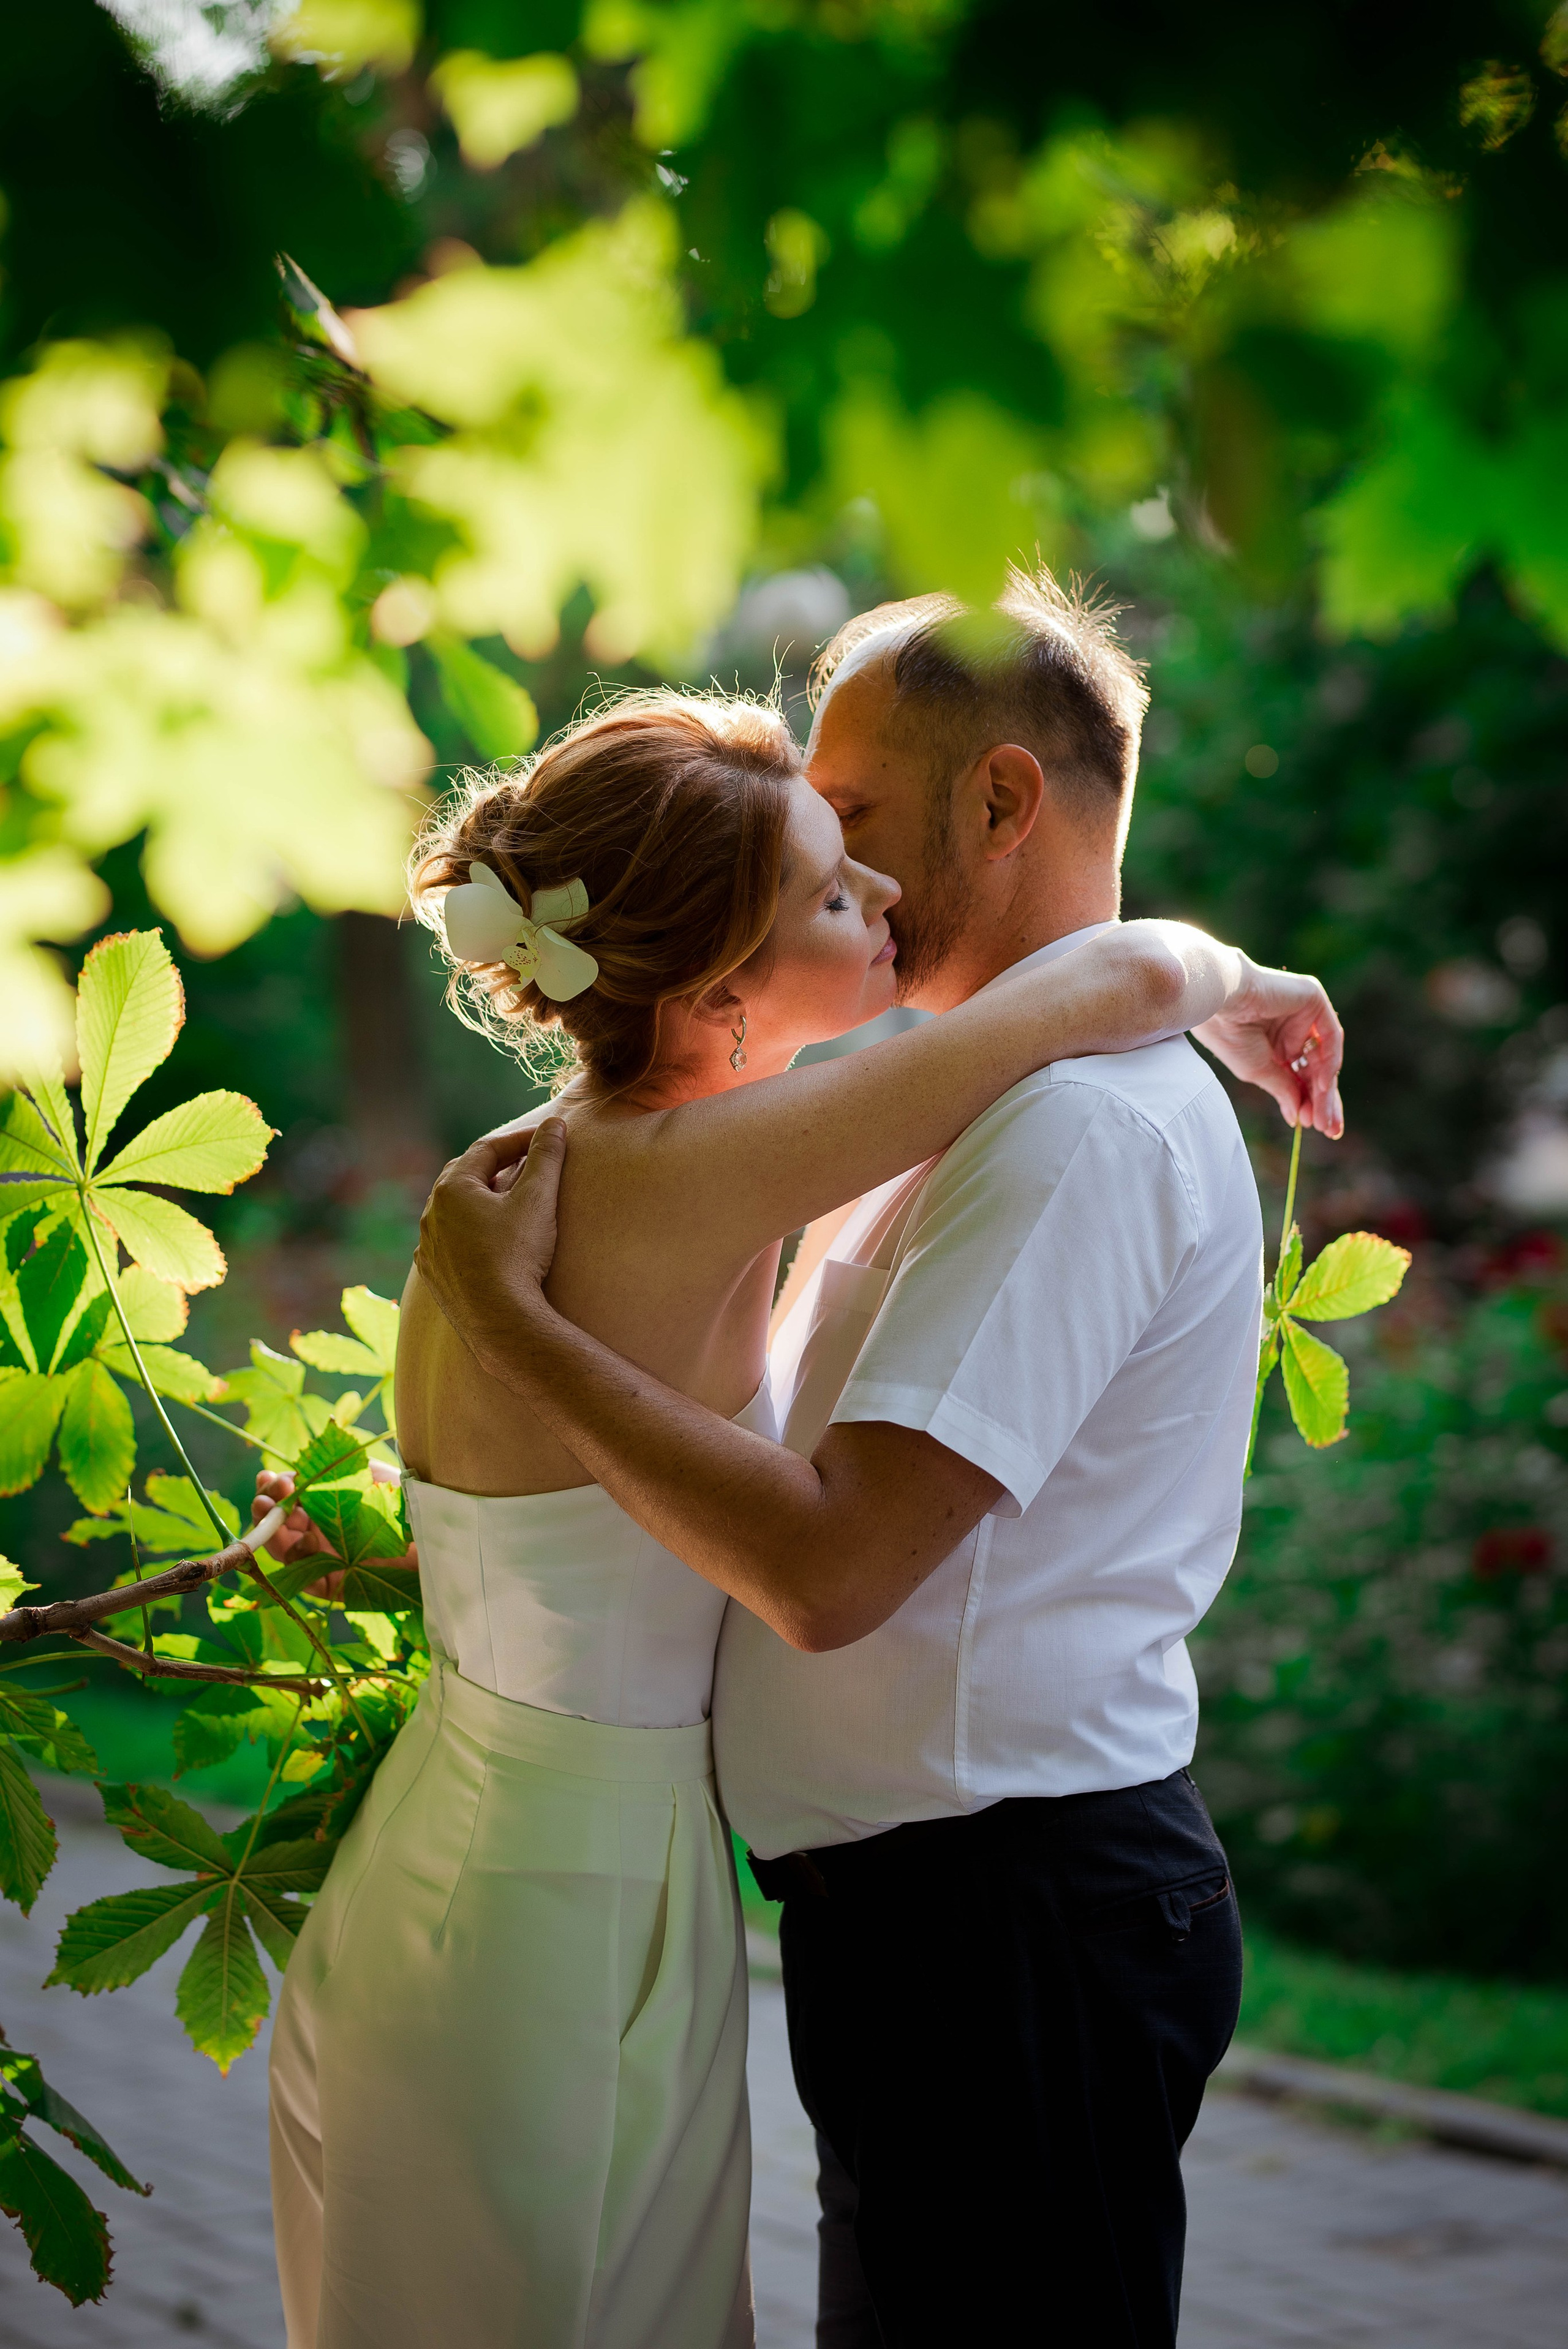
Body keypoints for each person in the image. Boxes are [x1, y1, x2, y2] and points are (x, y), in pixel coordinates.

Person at [262, 576, 1341, 2349]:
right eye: (826, 863)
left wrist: (509, 1343)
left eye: (860, 832)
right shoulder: (776, 1145)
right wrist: (1233, 975)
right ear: (713, 952)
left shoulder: (1028, 1120)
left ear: (1002, 798)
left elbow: (817, 1566)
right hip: (640, 1901)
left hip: (981, 1914)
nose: (875, 897)